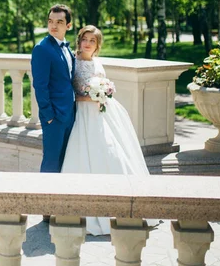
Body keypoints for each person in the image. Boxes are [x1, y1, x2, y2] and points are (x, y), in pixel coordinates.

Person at [61, 25, 153, 235]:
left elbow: (102, 84)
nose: (87, 43)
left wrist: (104, 93)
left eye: (92, 41)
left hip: (103, 114)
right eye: (85, 39)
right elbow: (72, 92)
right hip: (84, 114)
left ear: (97, 45)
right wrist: (92, 96)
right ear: (79, 40)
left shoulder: (97, 62)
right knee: (86, 154)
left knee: (114, 151)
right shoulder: (73, 62)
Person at [31, 4, 77, 174]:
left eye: (59, 22)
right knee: (51, 161)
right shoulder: (42, 49)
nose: (53, 26)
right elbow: (40, 86)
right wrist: (49, 115)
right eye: (50, 21)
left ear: (68, 26)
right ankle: (45, 196)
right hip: (54, 116)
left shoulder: (66, 47)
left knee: (65, 159)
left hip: (70, 113)